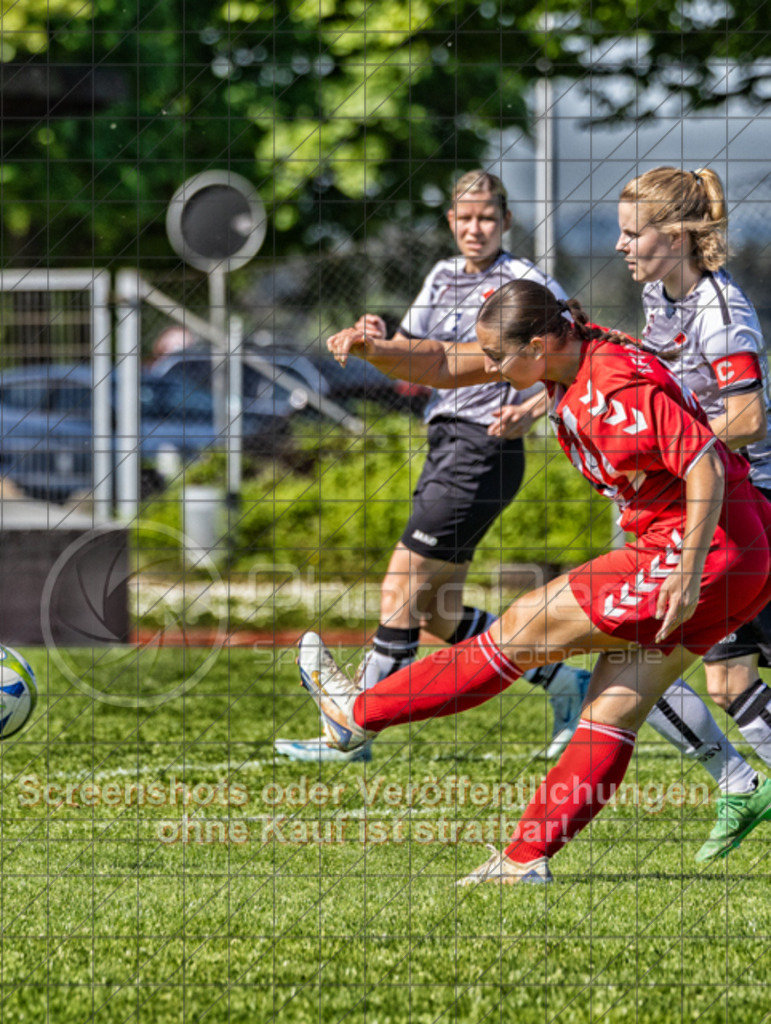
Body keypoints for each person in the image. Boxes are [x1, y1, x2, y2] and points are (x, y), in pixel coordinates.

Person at [296, 280, 771, 885]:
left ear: (540, 345)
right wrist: (374, 351)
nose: (492, 367)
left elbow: (704, 462)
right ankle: (525, 859)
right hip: (742, 549)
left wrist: (687, 567)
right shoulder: (565, 357)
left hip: (700, 548)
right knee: (614, 708)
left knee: (521, 628)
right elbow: (444, 363)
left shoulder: (610, 386)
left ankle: (358, 713)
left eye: (500, 357)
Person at [274, 169, 590, 765]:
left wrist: (530, 410)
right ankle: (564, 684)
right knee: (441, 613)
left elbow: (576, 356)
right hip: (446, 445)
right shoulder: (443, 276)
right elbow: (418, 351)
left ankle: (352, 728)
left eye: (487, 217)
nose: (476, 228)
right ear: (450, 221)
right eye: (465, 218)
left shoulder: (525, 281)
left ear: (506, 221)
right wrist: (376, 337)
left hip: (484, 449)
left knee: (401, 586)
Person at [615, 166, 771, 861]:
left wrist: (672, 447)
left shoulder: (720, 312)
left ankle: (740, 783)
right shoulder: (660, 293)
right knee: (716, 675)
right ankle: (741, 785)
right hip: (704, 507)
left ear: (674, 238)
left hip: (751, 507)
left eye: (632, 234)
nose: (621, 246)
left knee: (648, 659)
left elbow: (748, 418)